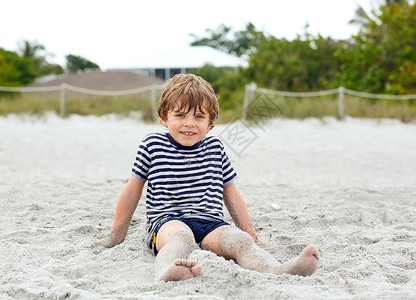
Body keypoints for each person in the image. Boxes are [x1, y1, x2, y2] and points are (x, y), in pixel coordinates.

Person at [97, 74, 319, 281]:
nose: (190, 123)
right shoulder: (152, 145)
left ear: (210, 123)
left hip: (210, 224)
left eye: (199, 116)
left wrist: (250, 233)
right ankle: (167, 270)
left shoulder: (215, 147)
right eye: (180, 115)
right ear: (164, 118)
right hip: (167, 223)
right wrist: (116, 236)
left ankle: (278, 270)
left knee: (240, 241)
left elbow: (230, 193)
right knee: (181, 237)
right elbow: (132, 190)